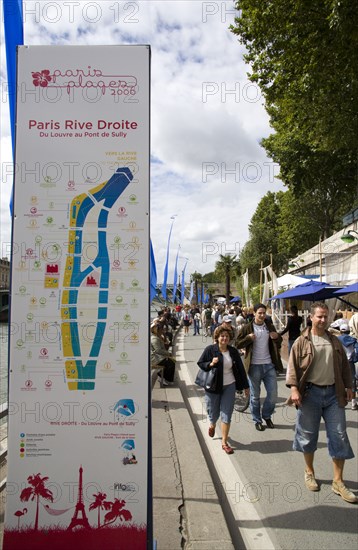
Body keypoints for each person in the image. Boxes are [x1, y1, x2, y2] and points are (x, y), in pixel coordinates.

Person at [286, 302, 357, 503]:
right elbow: (292, 368)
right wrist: (293, 389)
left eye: (326, 316)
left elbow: (344, 366)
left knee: (339, 435)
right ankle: (309, 472)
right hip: (310, 394)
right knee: (307, 434)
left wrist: (349, 386)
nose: (323, 320)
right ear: (311, 317)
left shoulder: (335, 341)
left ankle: (338, 481)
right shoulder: (302, 341)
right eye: (319, 316)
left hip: (334, 395)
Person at [197, 325, 249, 454]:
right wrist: (211, 363)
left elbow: (241, 370)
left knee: (227, 413)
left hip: (230, 385)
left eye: (227, 336)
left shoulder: (233, 351)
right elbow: (201, 363)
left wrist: (246, 386)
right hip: (214, 386)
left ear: (230, 338)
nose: (224, 338)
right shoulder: (210, 350)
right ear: (217, 338)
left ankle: (224, 442)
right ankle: (212, 424)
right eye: (222, 336)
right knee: (213, 412)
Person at [236, 303, 283, 431]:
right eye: (260, 313)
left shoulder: (269, 326)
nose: (262, 315)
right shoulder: (247, 328)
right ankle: (257, 420)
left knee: (273, 394)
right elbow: (237, 343)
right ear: (254, 313)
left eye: (264, 313)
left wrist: (277, 337)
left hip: (269, 365)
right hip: (254, 366)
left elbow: (279, 342)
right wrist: (248, 338)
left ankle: (267, 415)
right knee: (255, 396)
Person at [337, 323, 358, 410]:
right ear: (349, 331)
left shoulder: (336, 339)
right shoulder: (353, 340)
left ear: (341, 331)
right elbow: (357, 352)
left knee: (338, 381)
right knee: (352, 381)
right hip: (349, 363)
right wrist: (355, 359)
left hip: (339, 362)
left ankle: (339, 401)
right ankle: (353, 403)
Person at [150, 320, 175, 385]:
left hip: (157, 356)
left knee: (172, 361)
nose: (162, 331)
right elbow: (158, 350)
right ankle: (163, 377)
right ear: (157, 330)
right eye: (161, 330)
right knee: (170, 363)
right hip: (154, 358)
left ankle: (164, 377)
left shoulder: (157, 337)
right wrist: (168, 353)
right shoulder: (154, 339)